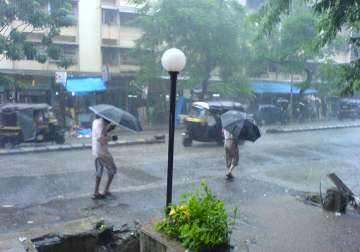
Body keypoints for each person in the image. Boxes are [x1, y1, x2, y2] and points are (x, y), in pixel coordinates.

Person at [91, 115, 117, 199]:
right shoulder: (100, 125)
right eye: (110, 120)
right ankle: (106, 190)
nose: (110, 121)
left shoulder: (96, 121)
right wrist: (112, 138)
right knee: (113, 170)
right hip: (103, 152)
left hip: (96, 151)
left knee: (99, 171)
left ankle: (96, 191)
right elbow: (101, 140)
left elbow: (102, 132)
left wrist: (110, 129)